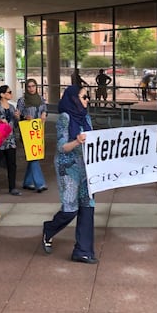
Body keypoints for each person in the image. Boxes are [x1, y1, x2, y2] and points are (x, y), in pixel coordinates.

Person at [41, 85, 97, 264]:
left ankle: (83, 250)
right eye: (83, 96)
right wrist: (77, 141)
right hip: (68, 168)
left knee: (88, 206)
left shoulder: (86, 117)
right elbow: (61, 147)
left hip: (86, 167)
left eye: (88, 96)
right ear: (73, 99)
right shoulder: (65, 118)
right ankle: (49, 229)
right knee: (70, 208)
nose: (87, 99)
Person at [17, 79, 48, 192]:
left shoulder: (41, 99)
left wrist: (44, 114)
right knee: (33, 155)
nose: (31, 88)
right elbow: (18, 115)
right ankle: (40, 183)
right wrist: (25, 117)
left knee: (34, 155)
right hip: (27, 131)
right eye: (29, 86)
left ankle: (27, 181)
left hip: (38, 131)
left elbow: (45, 109)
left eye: (33, 86)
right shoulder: (22, 101)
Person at [0, 85, 22, 196]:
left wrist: (17, 118)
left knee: (12, 164)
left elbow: (15, 125)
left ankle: (12, 187)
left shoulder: (12, 107)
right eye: (9, 92)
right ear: (2, 94)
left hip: (10, 139)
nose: (11, 94)